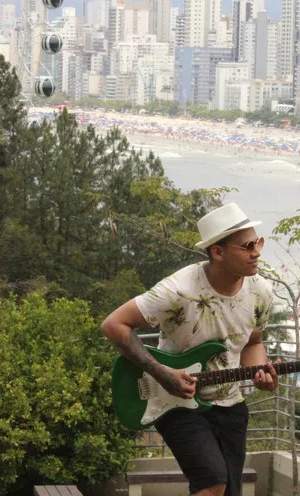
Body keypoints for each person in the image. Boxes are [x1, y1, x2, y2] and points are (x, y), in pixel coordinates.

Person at [102, 203, 278, 496]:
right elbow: (113, 325)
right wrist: (160, 372)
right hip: (175, 400)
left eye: (258, 242)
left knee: (228, 491)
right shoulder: (179, 290)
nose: (256, 252)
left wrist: (261, 372)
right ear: (218, 252)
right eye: (247, 246)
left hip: (231, 404)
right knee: (212, 482)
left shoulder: (261, 292)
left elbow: (254, 342)